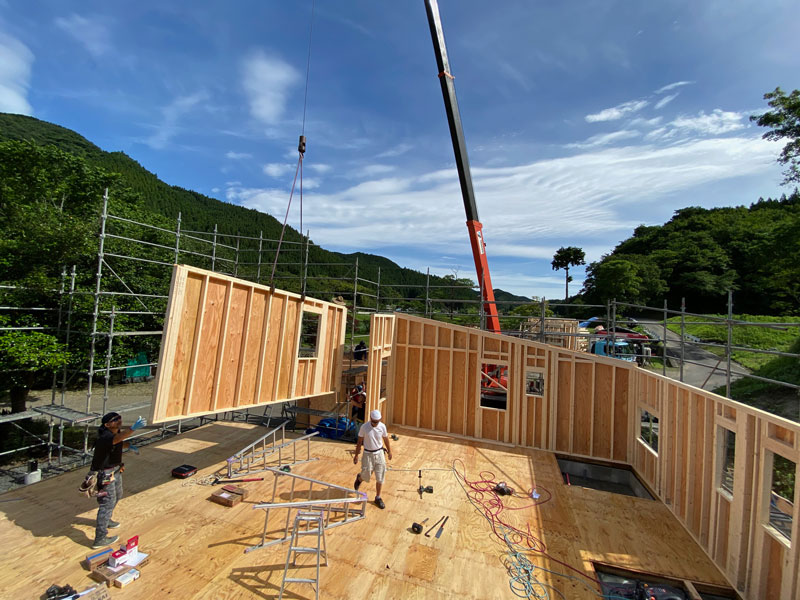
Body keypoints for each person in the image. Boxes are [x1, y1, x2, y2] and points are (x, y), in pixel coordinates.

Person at [89, 412, 146, 548]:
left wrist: (128, 446)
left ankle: (107, 519)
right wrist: (133, 428)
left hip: (115, 470)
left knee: (118, 495)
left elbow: (119, 441)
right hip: (105, 474)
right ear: (107, 424)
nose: (119, 421)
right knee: (107, 504)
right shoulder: (105, 436)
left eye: (119, 418)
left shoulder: (115, 433)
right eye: (115, 420)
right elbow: (116, 439)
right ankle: (100, 538)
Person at [352, 409, 392, 509]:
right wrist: (356, 455)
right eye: (373, 422)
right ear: (370, 419)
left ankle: (378, 497)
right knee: (366, 475)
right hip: (367, 454)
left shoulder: (382, 426)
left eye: (377, 422)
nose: (375, 424)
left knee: (380, 476)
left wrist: (390, 451)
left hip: (379, 453)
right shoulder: (364, 427)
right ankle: (359, 478)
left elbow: (386, 439)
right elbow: (359, 441)